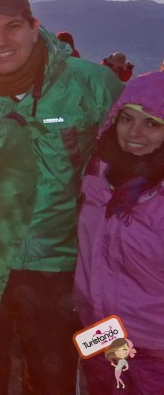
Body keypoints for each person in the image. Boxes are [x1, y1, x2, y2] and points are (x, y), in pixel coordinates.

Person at [0, 0, 123, 395]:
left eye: (13, 26)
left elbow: (138, 150)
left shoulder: (90, 86)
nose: (0, 41)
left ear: (35, 27)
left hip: (57, 264)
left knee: (54, 375)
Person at [74, 72, 164, 394]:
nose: (134, 133)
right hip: (102, 336)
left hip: (156, 351)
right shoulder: (99, 177)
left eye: (152, 124)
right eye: (127, 119)